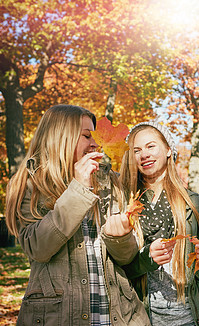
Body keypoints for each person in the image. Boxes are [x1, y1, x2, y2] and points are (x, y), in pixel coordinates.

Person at [5, 104, 150, 326]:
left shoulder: (109, 181)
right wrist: (78, 189)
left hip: (116, 316)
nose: (94, 143)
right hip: (57, 316)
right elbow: (37, 247)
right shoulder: (30, 184)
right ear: (60, 136)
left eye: (94, 135)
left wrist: (119, 237)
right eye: (85, 136)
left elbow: (126, 258)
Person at [119, 121, 199, 326]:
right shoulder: (126, 204)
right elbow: (119, 269)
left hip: (188, 318)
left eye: (151, 146)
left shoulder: (192, 202)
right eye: (137, 150)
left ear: (168, 150)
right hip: (142, 317)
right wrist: (147, 258)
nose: (144, 154)